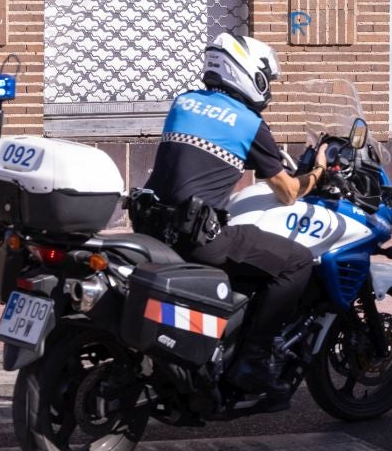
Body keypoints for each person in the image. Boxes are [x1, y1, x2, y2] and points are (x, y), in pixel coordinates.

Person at [129, 33, 329, 402]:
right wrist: (317, 172)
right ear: (250, 74)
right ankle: (252, 362)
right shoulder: (249, 123)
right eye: (267, 77)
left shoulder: (184, 103)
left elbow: (206, 152)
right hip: (197, 237)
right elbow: (287, 193)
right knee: (297, 262)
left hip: (153, 227)